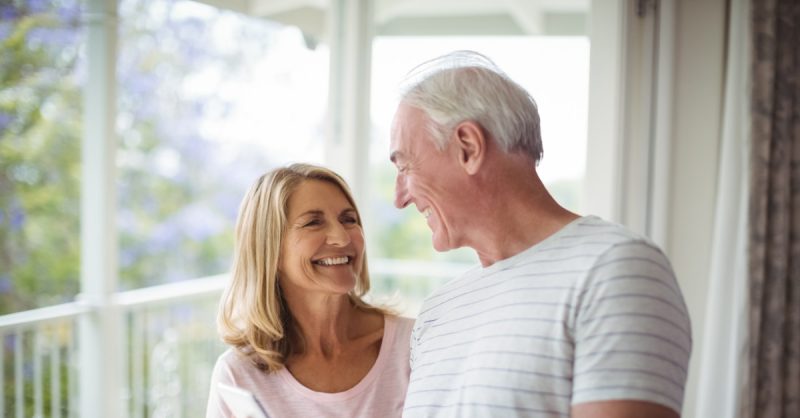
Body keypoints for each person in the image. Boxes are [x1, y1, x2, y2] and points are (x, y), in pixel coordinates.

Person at [390, 51, 691, 418]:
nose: (399, 198)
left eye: (405, 166)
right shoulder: (439, 310)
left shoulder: (616, 270)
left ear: (468, 147)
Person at [206, 163, 414, 417]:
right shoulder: (238, 374)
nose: (342, 237)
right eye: (313, 223)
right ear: (270, 248)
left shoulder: (414, 345)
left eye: (348, 219)